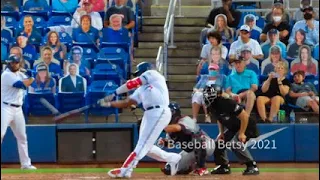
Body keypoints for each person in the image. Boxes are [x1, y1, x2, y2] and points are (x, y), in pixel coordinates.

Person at [97, 62, 182, 178]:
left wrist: (114, 93)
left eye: (139, 73)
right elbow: (128, 102)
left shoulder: (153, 74)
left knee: (142, 145)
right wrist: (108, 104)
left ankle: (126, 169)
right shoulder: (141, 90)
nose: (138, 75)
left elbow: (133, 83)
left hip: (160, 111)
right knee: (147, 147)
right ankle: (173, 158)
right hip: (149, 114)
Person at [203, 84, 259, 175]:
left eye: (209, 94)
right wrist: (221, 133)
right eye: (206, 94)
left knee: (235, 143)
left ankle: (252, 166)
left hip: (247, 126)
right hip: (234, 127)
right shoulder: (211, 105)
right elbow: (219, 118)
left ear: (218, 94)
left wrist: (242, 133)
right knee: (219, 142)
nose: (206, 96)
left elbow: (245, 117)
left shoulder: (228, 103)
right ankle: (223, 166)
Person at [1, 54, 37, 170]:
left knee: (22, 137)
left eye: (16, 63)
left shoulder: (18, 73)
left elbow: (33, 83)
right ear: (9, 63)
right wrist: (31, 78)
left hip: (17, 109)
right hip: (5, 108)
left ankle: (26, 164)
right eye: (13, 63)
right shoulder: (6, 75)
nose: (15, 64)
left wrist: (30, 75)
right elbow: (21, 85)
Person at [160, 102, 215, 176]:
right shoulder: (170, 129)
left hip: (207, 144)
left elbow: (178, 128)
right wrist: (164, 142)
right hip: (191, 150)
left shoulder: (185, 119)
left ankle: (202, 168)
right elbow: (171, 144)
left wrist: (159, 127)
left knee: (198, 140)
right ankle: (190, 167)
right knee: (170, 168)